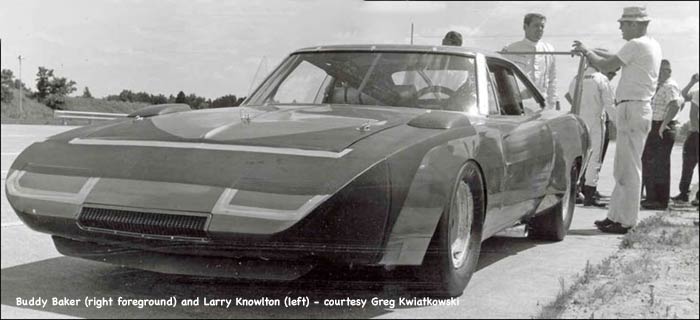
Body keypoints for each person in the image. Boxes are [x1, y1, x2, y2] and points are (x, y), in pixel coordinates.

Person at [572, 6, 662, 234]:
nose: (620, 27)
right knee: (623, 168)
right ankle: (616, 216)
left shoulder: (636, 44)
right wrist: (589, 51)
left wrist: (585, 51)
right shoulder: (649, 44)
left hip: (633, 107)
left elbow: (607, 65)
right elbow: (612, 58)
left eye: (623, 23)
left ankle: (627, 221)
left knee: (629, 168)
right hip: (634, 107)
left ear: (634, 24)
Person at [565, 61, 615, 207]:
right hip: (595, 121)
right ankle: (589, 195)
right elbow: (610, 104)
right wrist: (618, 122)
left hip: (580, 121)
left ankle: (574, 191)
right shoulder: (601, 79)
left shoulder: (576, 78)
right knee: (595, 158)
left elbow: (570, 96)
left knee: (580, 157)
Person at [641, 60, 683, 210]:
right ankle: (652, 198)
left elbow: (675, 104)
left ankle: (660, 200)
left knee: (660, 165)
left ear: (667, 71)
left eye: (660, 71)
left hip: (662, 127)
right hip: (656, 125)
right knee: (651, 163)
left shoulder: (670, 86)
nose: (657, 74)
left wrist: (664, 125)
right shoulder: (660, 86)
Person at [503, 13, 557, 108]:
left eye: (542, 26)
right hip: (519, 105)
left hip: (543, 105)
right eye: (536, 25)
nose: (540, 29)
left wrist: (552, 104)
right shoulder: (510, 49)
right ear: (525, 27)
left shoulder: (549, 49)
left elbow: (552, 80)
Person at [671, 73, 699, 206]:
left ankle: (693, 196)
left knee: (689, 164)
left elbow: (693, 115)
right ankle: (684, 193)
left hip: (696, 133)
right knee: (688, 163)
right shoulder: (697, 92)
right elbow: (683, 95)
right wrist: (692, 82)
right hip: (694, 133)